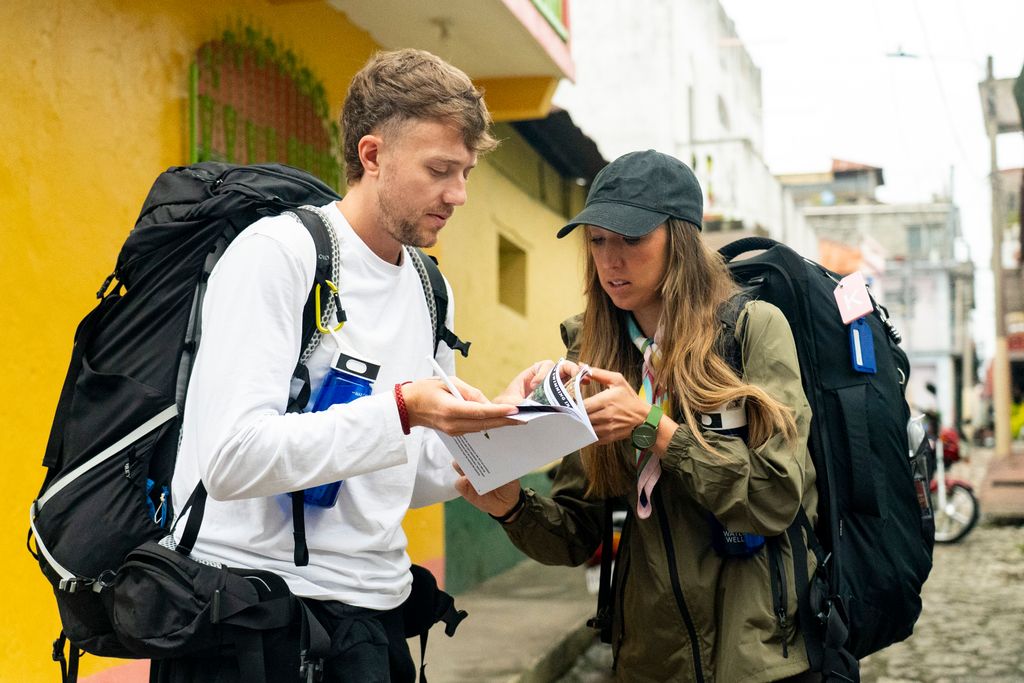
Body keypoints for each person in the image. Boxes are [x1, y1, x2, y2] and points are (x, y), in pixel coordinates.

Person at [159, 48, 519, 682]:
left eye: (465, 172)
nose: (458, 195)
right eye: (439, 170)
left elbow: (407, 480)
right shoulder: (279, 254)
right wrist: (401, 410)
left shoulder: (431, 289)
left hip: (372, 620)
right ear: (372, 155)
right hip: (250, 621)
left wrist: (506, 430)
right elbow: (231, 459)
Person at [457, 150, 820, 682]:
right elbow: (578, 532)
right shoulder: (591, 351)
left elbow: (775, 498)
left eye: (631, 238)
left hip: (757, 656)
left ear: (680, 240)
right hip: (650, 660)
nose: (611, 260)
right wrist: (511, 507)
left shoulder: (751, 330)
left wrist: (654, 429)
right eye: (598, 240)